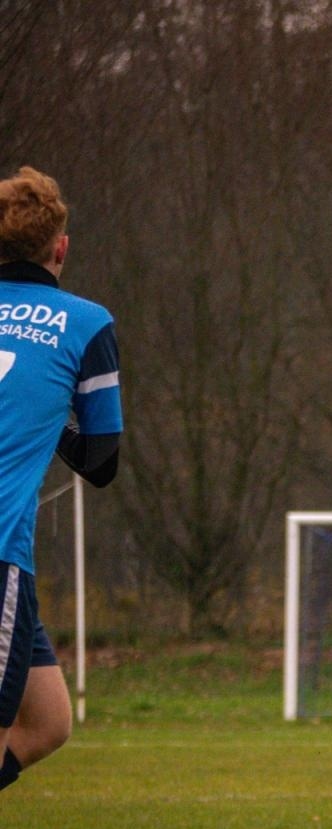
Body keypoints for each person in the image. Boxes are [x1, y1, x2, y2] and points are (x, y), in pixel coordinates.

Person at [0, 167, 122, 796]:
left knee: (46, 719)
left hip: (11, 561)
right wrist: (58, 426)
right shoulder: (85, 323)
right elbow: (102, 463)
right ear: (61, 246)